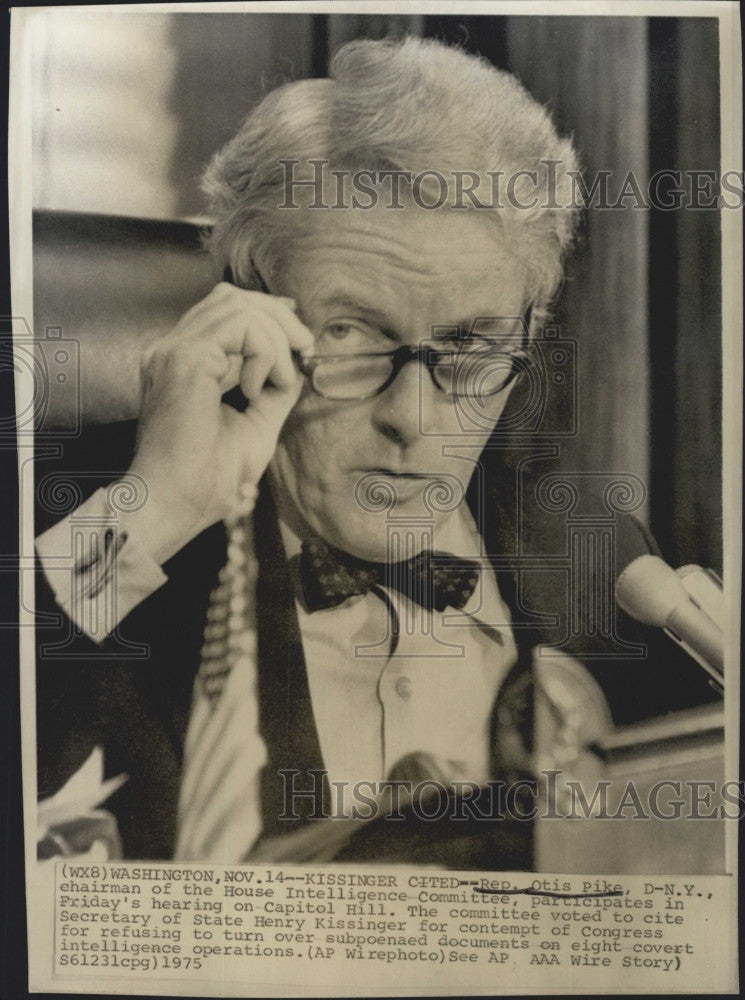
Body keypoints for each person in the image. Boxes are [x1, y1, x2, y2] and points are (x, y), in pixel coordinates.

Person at [33, 37, 706, 868]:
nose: (413, 420)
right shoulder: (89, 526)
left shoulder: (590, 552)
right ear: (247, 312)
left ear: (527, 334)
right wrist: (155, 511)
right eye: (350, 334)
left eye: (470, 347)